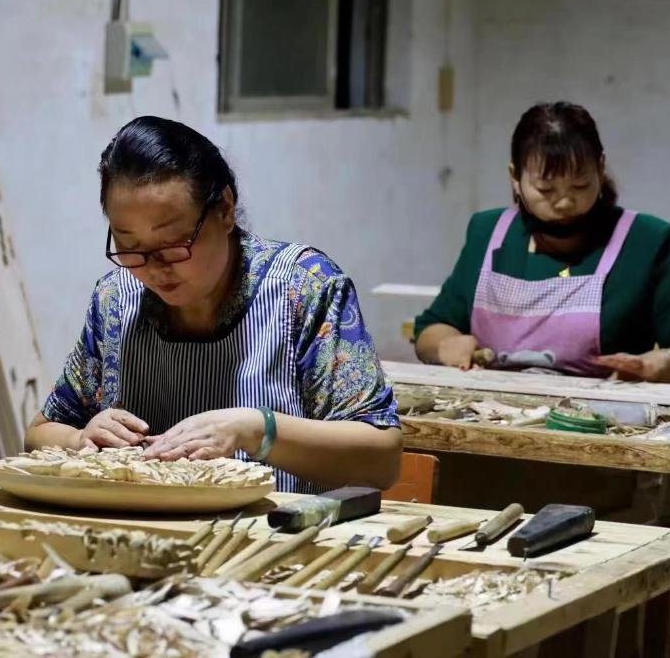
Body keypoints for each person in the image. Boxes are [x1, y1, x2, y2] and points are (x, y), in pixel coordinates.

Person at [25, 116, 402, 493]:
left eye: (173, 244)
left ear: (224, 209)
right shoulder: (116, 300)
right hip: (140, 523)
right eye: (129, 246)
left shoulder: (303, 289)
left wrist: (258, 430)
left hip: (269, 527)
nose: (154, 268)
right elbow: (40, 433)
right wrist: (80, 439)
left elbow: (382, 459)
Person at [414, 101, 670, 383]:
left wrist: (663, 363)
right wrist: (445, 345)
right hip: (490, 412)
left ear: (600, 169)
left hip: (599, 417)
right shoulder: (488, 234)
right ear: (515, 178)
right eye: (545, 190)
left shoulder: (644, 241)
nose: (564, 203)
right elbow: (430, 327)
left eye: (580, 185)